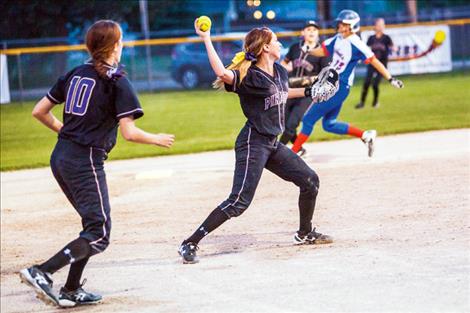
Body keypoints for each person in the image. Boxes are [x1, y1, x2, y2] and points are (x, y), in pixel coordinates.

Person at [19, 20, 175, 308]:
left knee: (92, 225)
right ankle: (41, 272)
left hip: (61, 157)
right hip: (85, 160)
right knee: (99, 233)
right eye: (121, 40)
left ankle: (71, 289)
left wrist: (67, 133)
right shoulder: (116, 80)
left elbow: (39, 111)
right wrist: (156, 138)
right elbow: (129, 133)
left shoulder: (75, 73)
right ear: (115, 45)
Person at [178, 19, 337, 265]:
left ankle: (304, 233)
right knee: (239, 201)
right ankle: (190, 242)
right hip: (253, 143)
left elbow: (282, 93)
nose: (279, 43)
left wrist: (310, 92)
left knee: (310, 180)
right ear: (264, 48)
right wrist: (206, 39)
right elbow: (222, 73)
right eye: (275, 41)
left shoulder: (280, 71)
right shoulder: (250, 75)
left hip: (272, 144)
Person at [291, 10, 404, 158]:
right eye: (340, 23)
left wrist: (390, 78)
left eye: (344, 24)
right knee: (329, 124)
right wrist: (310, 50)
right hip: (333, 84)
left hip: (338, 86)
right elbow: (323, 50)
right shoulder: (337, 38)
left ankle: (293, 154)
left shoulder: (357, 43)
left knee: (308, 119)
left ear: (353, 26)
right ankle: (366, 135)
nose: (340, 26)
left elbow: (374, 60)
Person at [280, 20, 330, 157]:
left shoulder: (322, 52)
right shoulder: (295, 47)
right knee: (282, 122)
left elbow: (325, 75)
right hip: (290, 91)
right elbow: (284, 63)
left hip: (307, 94)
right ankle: (300, 148)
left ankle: (278, 153)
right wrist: (283, 74)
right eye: (308, 29)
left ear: (318, 33)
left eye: (314, 29)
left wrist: (306, 80)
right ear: (303, 33)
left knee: (291, 124)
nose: (312, 32)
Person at [356, 18, 394, 109]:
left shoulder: (386, 38)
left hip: (382, 64)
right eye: (379, 24)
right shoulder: (371, 38)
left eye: (382, 25)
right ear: (375, 26)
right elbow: (366, 49)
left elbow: (392, 46)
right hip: (373, 63)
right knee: (366, 82)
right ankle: (362, 102)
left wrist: (393, 49)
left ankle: (375, 102)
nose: (380, 26)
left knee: (375, 84)